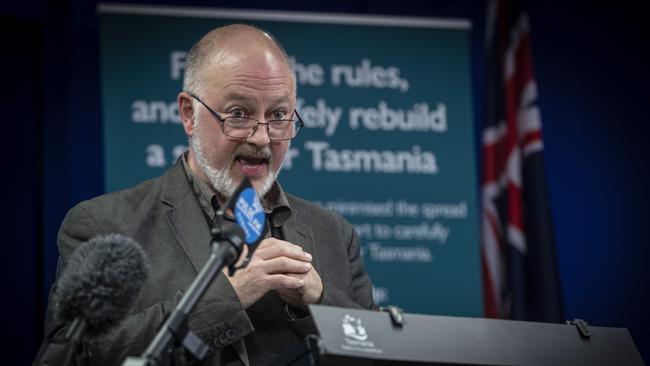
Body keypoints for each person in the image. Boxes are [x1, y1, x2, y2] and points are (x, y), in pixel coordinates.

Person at [43, 24, 375, 366]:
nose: (262, 139)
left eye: (278, 115)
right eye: (238, 114)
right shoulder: (106, 224)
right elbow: (72, 356)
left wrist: (318, 301)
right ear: (189, 113)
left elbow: (376, 353)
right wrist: (224, 299)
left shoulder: (333, 233)